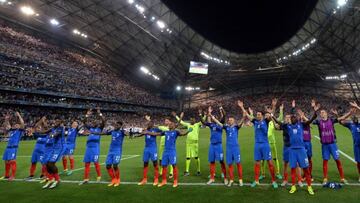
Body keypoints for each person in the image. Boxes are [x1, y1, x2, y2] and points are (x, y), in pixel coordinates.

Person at [271, 102, 319, 195]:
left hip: (301, 150)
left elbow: (311, 120)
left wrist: (315, 112)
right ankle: (293, 186)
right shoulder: (287, 126)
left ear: (297, 118)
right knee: (292, 168)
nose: (293, 118)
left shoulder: (301, 125)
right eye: (291, 117)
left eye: (294, 117)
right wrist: (272, 115)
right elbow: (278, 123)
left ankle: (309, 187)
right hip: (292, 150)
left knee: (306, 169)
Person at [238, 100, 278, 188]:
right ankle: (256, 180)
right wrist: (241, 107)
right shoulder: (255, 121)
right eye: (257, 115)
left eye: (259, 115)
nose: (258, 116)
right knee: (257, 163)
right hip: (257, 145)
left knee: (270, 163)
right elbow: (247, 115)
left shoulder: (266, 121)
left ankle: (273, 180)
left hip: (265, 145)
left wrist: (274, 106)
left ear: (262, 116)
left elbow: (271, 114)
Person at [312, 99, 350, 185]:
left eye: (323, 112)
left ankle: (342, 178)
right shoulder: (318, 122)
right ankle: (325, 178)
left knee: (338, 160)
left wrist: (350, 113)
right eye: (320, 113)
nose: (322, 113)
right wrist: (314, 110)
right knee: (325, 161)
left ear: (326, 114)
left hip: (332, 144)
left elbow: (342, 118)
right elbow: (309, 121)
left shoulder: (331, 120)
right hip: (324, 145)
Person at [144, 119, 192, 188]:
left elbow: (183, 134)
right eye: (169, 124)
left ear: (174, 126)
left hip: (172, 151)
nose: (170, 124)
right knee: (164, 166)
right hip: (165, 152)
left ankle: (175, 181)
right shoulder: (165, 132)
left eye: (171, 124)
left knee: (174, 165)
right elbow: (156, 134)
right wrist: (148, 132)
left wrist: (188, 131)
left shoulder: (176, 132)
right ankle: (164, 181)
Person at [209, 105, 245, 187]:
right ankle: (231, 180)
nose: (230, 121)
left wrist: (244, 116)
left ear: (234, 121)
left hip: (236, 148)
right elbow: (219, 123)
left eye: (231, 120)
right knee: (230, 165)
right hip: (229, 149)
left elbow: (241, 123)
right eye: (229, 120)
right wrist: (212, 117)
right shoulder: (226, 127)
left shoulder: (236, 127)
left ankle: (240, 180)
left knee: (238, 164)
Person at [201, 106, 228, 185]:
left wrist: (221, 108)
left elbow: (224, 115)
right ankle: (212, 178)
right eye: (213, 117)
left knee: (221, 161)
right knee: (211, 161)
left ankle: (225, 178)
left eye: (215, 117)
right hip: (212, 145)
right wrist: (206, 113)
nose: (214, 118)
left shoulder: (221, 124)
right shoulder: (211, 125)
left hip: (219, 146)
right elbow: (203, 122)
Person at [79, 108, 106, 185]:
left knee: (95, 162)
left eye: (95, 121)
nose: (94, 122)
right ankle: (86, 178)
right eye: (93, 121)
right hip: (88, 148)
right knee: (87, 163)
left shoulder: (99, 129)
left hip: (95, 148)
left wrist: (99, 113)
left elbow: (104, 121)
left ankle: (99, 176)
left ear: (98, 124)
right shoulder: (90, 128)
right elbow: (84, 122)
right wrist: (87, 114)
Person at [173, 111, 202, 176]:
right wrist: (176, 116)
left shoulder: (197, 124)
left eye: (193, 119)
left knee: (196, 157)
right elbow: (181, 122)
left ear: (195, 120)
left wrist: (203, 114)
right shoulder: (188, 125)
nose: (191, 120)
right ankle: (187, 171)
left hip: (195, 143)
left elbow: (203, 121)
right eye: (191, 119)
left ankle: (198, 170)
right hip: (188, 143)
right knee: (188, 157)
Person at [105, 121, 132, 187]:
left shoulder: (122, 132)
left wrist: (129, 132)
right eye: (115, 125)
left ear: (120, 126)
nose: (115, 126)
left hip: (117, 151)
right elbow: (105, 133)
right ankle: (113, 179)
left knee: (115, 165)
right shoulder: (112, 131)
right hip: (110, 151)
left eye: (117, 125)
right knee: (108, 166)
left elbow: (128, 134)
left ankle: (118, 179)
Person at [260, 99, 282, 180]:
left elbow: (277, 127)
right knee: (263, 160)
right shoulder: (262, 123)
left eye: (268, 115)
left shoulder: (272, 122)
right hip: (264, 144)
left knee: (275, 158)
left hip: (272, 143)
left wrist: (274, 106)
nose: (267, 116)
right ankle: (262, 174)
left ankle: (278, 173)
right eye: (265, 115)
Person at [0, 111, 25, 181]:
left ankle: (13, 176)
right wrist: (6, 119)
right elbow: (6, 126)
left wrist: (19, 115)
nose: (16, 125)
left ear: (19, 126)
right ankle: (6, 175)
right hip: (8, 148)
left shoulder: (20, 131)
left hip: (13, 148)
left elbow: (22, 123)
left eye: (17, 125)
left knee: (12, 161)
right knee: (6, 161)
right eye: (15, 125)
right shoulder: (12, 131)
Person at [41, 118, 66, 189]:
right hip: (54, 148)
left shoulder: (61, 128)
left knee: (51, 163)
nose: (56, 122)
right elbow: (45, 131)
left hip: (60, 147)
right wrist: (36, 131)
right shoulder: (53, 128)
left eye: (58, 121)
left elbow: (56, 134)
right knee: (47, 164)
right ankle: (51, 179)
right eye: (55, 121)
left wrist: (51, 135)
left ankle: (57, 180)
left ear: (60, 122)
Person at [340, 101, 360, 182]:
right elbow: (340, 121)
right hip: (356, 146)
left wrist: (357, 106)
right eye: (353, 117)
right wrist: (350, 113)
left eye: (356, 117)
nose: (355, 118)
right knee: (358, 162)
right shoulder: (351, 125)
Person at [137, 120, 162, 186]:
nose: (148, 125)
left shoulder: (155, 129)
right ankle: (144, 179)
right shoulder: (146, 130)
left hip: (153, 149)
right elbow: (142, 134)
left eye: (149, 124)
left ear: (152, 124)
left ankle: (156, 179)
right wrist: (136, 136)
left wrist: (153, 134)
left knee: (155, 163)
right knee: (145, 163)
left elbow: (162, 133)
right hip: (146, 149)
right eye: (148, 124)